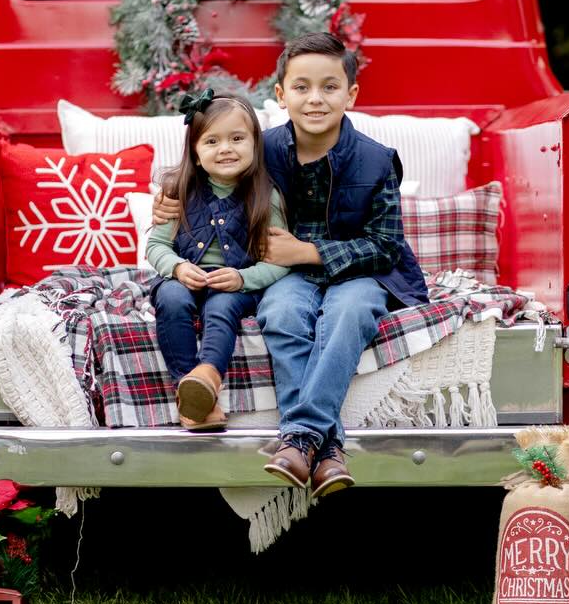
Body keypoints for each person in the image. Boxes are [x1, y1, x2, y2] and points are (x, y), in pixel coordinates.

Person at [155, 33, 428, 497]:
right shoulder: (262, 150)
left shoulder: (376, 160)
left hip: (361, 272)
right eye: (301, 87)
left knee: (350, 314)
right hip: (287, 277)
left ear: (351, 94)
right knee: (279, 314)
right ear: (281, 95)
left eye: (329, 86)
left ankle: (301, 438)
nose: (315, 99)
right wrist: (169, 201)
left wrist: (309, 251)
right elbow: (209, 171)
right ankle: (328, 453)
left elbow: (386, 245)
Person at [147, 90, 289, 432]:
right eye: (212, 141)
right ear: (195, 153)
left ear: (255, 144)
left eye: (237, 138)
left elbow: (281, 261)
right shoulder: (178, 191)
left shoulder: (265, 196)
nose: (225, 148)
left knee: (220, 306)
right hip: (186, 276)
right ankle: (193, 395)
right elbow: (156, 245)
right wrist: (178, 268)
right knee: (171, 298)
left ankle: (208, 375)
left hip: (237, 283)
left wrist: (244, 280)